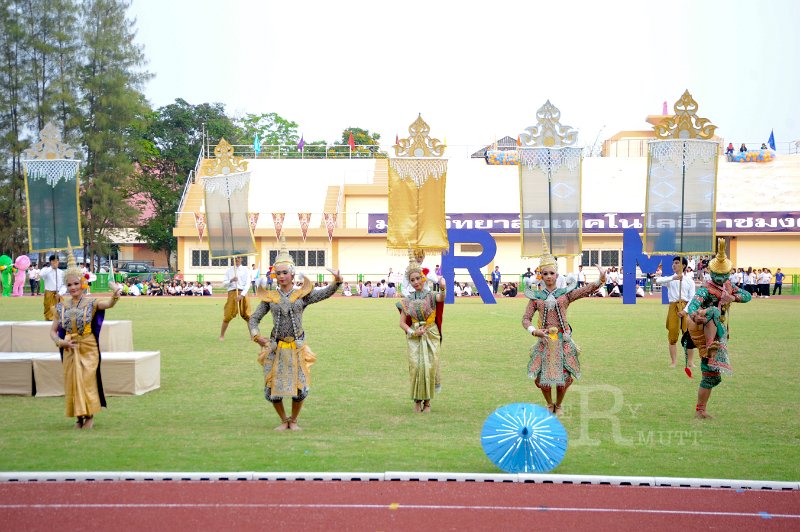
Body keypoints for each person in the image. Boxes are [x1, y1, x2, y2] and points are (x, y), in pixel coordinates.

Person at [249, 240, 342, 431]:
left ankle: (294, 420)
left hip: (297, 347)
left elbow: (323, 294)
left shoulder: (302, 295)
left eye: (285, 272)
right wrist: (257, 336)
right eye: (278, 273)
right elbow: (254, 319)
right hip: (275, 348)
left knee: (299, 389)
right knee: (272, 390)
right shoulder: (270, 297)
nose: (281, 276)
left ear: (292, 274)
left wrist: (337, 282)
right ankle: (284, 420)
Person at [522, 236, 606, 416]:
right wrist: (534, 331)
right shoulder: (536, 297)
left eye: (552, 273)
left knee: (564, 377)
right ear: (541, 276)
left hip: (563, 339)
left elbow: (585, 291)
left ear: (557, 275)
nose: (549, 277)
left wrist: (600, 280)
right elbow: (526, 319)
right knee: (541, 377)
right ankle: (549, 403)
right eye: (545, 274)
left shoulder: (565, 295)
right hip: (544, 340)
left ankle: (558, 405)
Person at [49, 249, 121, 430]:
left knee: (87, 380)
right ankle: (78, 418)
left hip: (88, 347)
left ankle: (89, 415)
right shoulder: (60, 307)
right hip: (69, 348)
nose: (73, 287)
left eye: (76, 283)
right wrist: (61, 342)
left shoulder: (92, 302)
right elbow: (52, 331)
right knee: (72, 382)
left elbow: (109, 304)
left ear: (83, 284)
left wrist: (115, 294)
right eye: (69, 284)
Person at [685, 239, 751, 419]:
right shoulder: (706, 290)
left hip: (718, 332)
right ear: (710, 272)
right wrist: (695, 314)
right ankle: (709, 348)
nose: (721, 279)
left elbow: (747, 296)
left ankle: (701, 410)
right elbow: (693, 305)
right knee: (713, 310)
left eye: (724, 275)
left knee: (713, 376)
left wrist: (733, 298)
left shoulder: (729, 287)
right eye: (717, 275)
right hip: (702, 327)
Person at [396, 254, 445, 413]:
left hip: (431, 334)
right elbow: (402, 323)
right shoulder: (407, 300)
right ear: (409, 282)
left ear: (423, 278)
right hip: (414, 337)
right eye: (412, 280)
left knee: (429, 367)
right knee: (416, 367)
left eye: (418, 278)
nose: (416, 282)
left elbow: (441, 297)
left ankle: (428, 402)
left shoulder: (431, 296)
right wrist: (413, 331)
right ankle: (417, 401)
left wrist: (443, 287)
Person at [655, 257, 697, 369]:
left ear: (683, 266)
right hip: (673, 307)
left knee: (688, 335)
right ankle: (673, 362)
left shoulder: (689, 281)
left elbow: (692, 298)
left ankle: (690, 362)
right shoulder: (670, 280)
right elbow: (657, 280)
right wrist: (673, 278)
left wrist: (685, 311)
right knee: (672, 335)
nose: (674, 265)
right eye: (673, 263)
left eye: (677, 263)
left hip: (685, 308)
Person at [219, 256, 250, 341]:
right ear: (233, 259)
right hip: (232, 293)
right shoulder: (229, 270)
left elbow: (248, 284)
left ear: (241, 259)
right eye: (235, 258)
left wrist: (242, 295)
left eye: (239, 258)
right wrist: (231, 280)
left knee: (248, 315)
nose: (237, 259)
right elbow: (224, 284)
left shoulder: (245, 270)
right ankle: (222, 335)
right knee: (227, 315)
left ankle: (253, 336)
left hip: (243, 293)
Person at [39, 254, 65, 320]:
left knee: (60, 311)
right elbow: (41, 274)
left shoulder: (62, 272)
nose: (55, 262)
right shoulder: (46, 270)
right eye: (53, 261)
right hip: (49, 294)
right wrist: (51, 268)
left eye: (57, 261)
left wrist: (60, 293)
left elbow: (64, 285)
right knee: (48, 310)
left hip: (58, 294)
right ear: (50, 262)